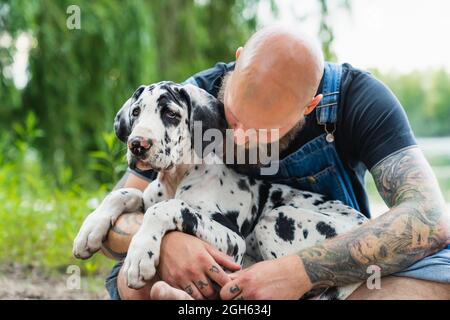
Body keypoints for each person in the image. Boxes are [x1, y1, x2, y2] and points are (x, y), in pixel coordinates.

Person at [104, 26, 450, 300]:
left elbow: (431, 217)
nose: (237, 140)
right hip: (225, 263)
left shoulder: (358, 99)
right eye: (233, 118)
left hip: (332, 262)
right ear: (239, 61)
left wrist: (299, 272)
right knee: (130, 279)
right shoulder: (189, 102)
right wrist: (168, 244)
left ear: (310, 106)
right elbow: (116, 224)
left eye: (261, 131)